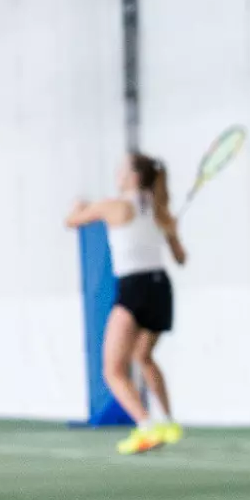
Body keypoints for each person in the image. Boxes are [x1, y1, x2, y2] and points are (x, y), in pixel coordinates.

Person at [66, 152, 188, 455]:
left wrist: (79, 208)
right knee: (143, 356)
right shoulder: (161, 212)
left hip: (134, 287)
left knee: (113, 370)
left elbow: (73, 221)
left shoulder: (116, 206)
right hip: (160, 287)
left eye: (121, 169)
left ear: (133, 177)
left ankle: (146, 427)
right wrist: (171, 231)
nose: (117, 174)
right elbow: (181, 259)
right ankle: (168, 422)